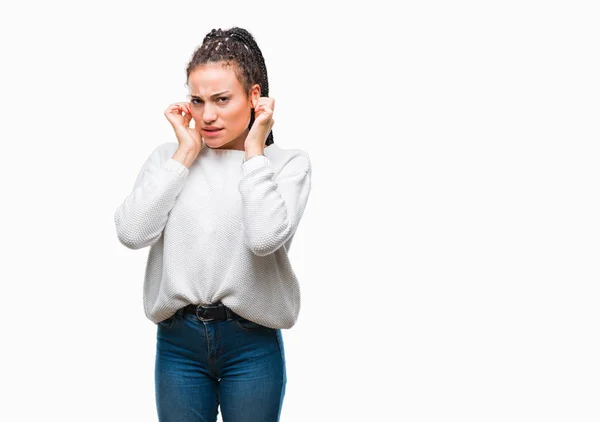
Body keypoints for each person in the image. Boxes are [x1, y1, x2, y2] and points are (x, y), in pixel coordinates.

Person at [113, 27, 312, 421]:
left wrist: (254, 152)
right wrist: (185, 154)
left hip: (251, 345)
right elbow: (132, 232)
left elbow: (264, 238)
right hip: (179, 344)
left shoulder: (287, 165)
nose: (207, 115)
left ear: (255, 97)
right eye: (198, 100)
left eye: (222, 100)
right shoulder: (169, 159)